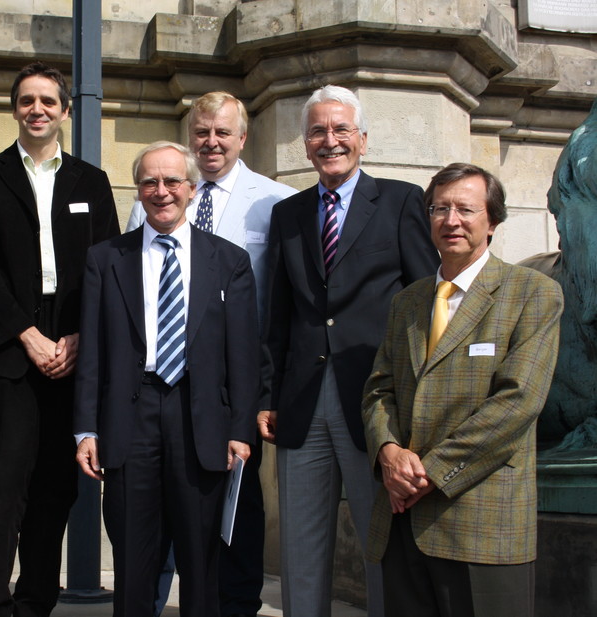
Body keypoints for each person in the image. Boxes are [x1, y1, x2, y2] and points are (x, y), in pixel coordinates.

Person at [257, 85, 440, 617]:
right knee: (301, 544)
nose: (329, 140)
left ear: (363, 139)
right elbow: (279, 314)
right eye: (318, 131)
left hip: (376, 401)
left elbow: (426, 301)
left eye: (340, 130)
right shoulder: (288, 214)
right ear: (306, 144)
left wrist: (416, 398)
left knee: (381, 540)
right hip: (302, 399)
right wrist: (267, 394)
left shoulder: (402, 200)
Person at [362, 163, 563, 617]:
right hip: (402, 521)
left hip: (481, 521)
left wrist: (428, 473)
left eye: (466, 209)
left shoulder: (532, 293)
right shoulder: (408, 301)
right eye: (440, 208)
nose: (451, 220)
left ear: (492, 221)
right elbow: (379, 389)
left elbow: (518, 402)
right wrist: (389, 453)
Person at [127, 91, 296, 617]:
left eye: (223, 132)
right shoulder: (152, 199)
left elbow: (283, 306)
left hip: (235, 389)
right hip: (163, 386)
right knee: (157, 513)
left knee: (236, 514)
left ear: (243, 138)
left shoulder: (275, 202)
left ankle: (236, 607)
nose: (212, 141)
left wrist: (262, 398)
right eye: (202, 131)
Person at [0, 61, 119, 617]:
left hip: (73, 350)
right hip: (8, 349)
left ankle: (35, 605)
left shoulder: (91, 182)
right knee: (2, 492)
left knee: (57, 491)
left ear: (65, 111)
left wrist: (79, 337)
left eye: (48, 101)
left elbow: (108, 267)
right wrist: (25, 334)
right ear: (14, 109)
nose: (37, 110)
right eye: (27, 100)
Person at [75, 141, 260, 617]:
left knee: (201, 561)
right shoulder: (105, 258)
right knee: (133, 560)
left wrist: (240, 431)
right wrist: (86, 429)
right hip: (129, 419)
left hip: (201, 422)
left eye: (172, 181)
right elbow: (93, 350)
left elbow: (242, 355)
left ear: (192, 189)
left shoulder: (230, 260)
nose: (162, 192)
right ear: (138, 191)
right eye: (150, 183)